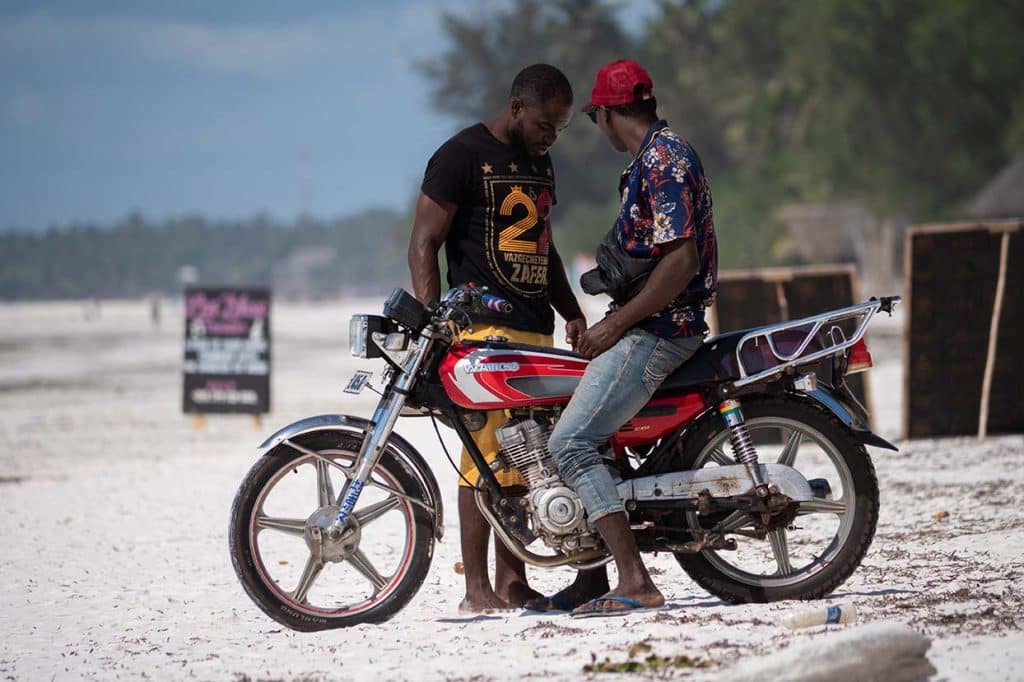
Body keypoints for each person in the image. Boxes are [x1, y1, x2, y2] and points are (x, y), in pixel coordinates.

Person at [533, 59, 718, 618]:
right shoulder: (654, 158)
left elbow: (679, 261)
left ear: (609, 114)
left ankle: (635, 580)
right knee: (571, 422)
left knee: (568, 444)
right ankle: (592, 578)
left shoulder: (662, 161)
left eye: (594, 118)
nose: (599, 128)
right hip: (650, 325)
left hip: (661, 330)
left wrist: (614, 324)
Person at [408, 64, 587, 613]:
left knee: (529, 458)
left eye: (558, 128)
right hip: (480, 332)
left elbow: (544, 247)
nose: (550, 136)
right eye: (543, 124)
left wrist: (572, 311)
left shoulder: (541, 163)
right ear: (515, 108)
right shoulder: (460, 155)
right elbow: (423, 242)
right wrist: (434, 321)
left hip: (536, 329)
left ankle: (513, 582)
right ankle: (476, 589)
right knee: (482, 459)